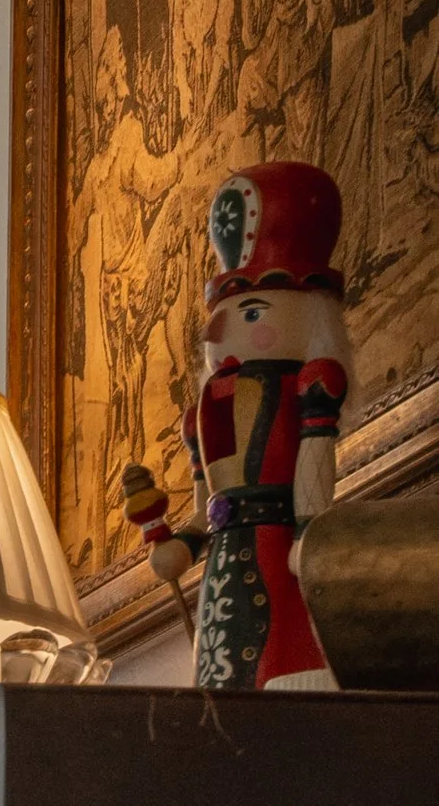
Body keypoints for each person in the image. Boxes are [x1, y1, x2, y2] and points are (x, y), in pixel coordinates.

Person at [125, 160, 350, 690]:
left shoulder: (312, 383)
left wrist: (309, 540)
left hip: (281, 553)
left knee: (279, 664)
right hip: (226, 557)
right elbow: (207, 505)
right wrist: (181, 545)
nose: (217, 332)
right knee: (224, 672)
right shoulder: (205, 408)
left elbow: (314, 484)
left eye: (251, 313)